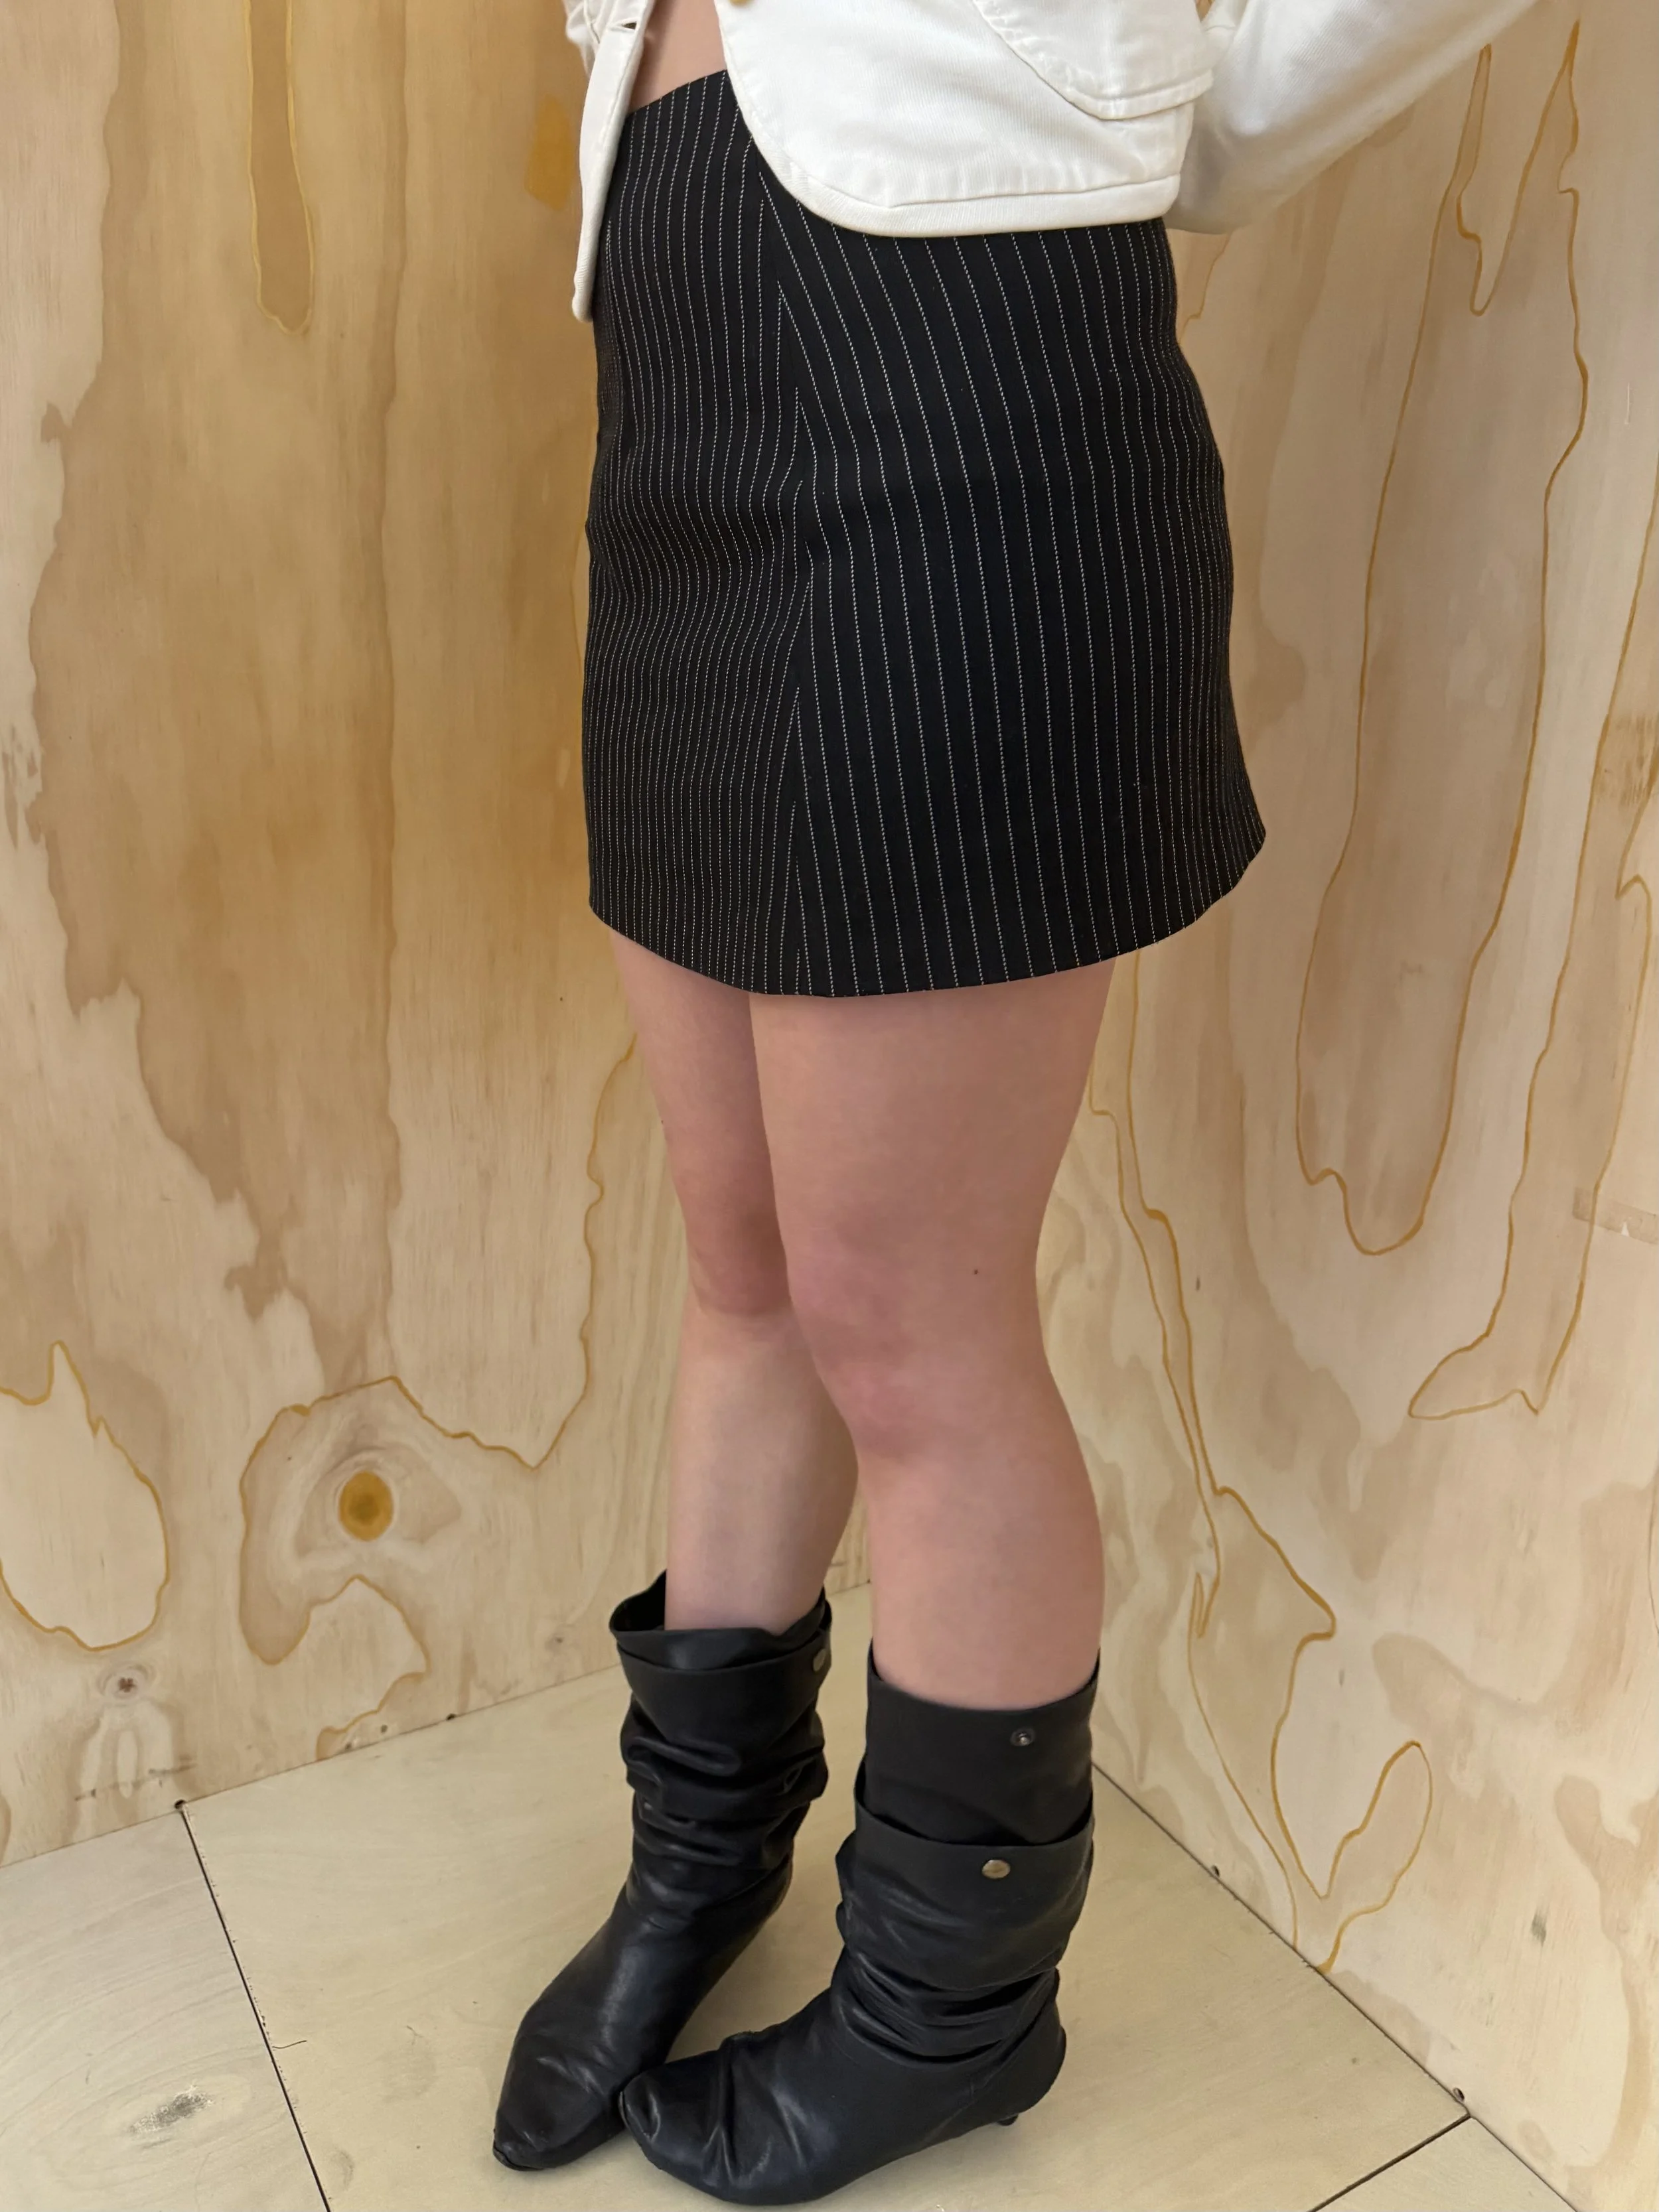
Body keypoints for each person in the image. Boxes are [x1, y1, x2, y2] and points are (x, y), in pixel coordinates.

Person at [491, 0, 1536, 2199]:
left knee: (911, 1330)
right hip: (675, 358)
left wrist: (1166, 116)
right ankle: (700, 1860)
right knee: (743, 1267)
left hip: (957, 376)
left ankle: (948, 2013)